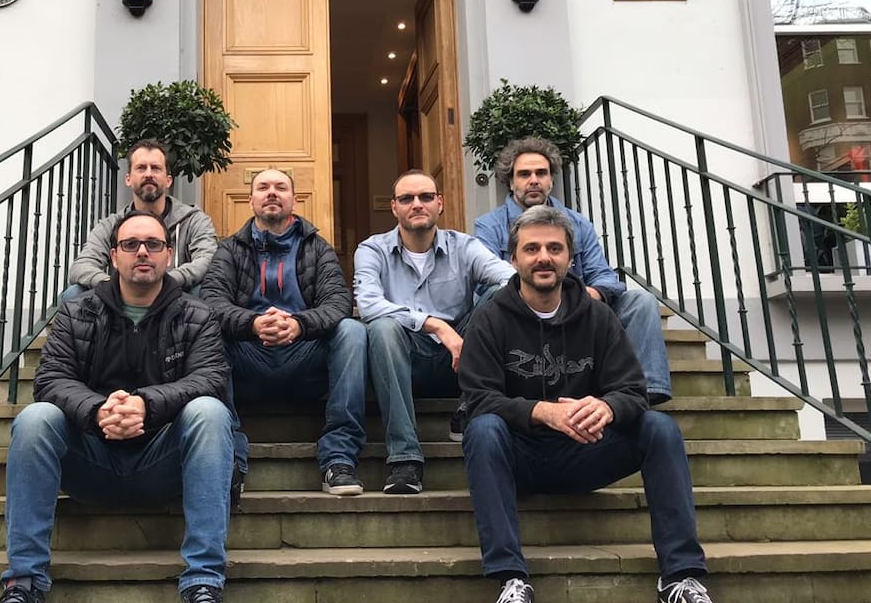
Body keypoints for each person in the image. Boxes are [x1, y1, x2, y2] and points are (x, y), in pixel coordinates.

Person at [458, 206, 735, 603]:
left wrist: (607, 408)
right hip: (520, 458)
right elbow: (477, 399)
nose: (543, 257)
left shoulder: (598, 317)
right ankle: (511, 581)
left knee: (660, 429)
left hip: (586, 453)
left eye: (554, 248)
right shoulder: (490, 317)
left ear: (570, 258)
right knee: (483, 428)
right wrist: (540, 410)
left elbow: (633, 389)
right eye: (531, 249)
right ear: (514, 259)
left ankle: (679, 581)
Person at [0, 212, 236, 603]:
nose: (142, 252)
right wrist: (99, 411)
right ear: (113, 255)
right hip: (90, 462)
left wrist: (146, 405)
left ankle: (203, 584)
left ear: (168, 255)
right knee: (34, 418)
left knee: (210, 411)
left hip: (162, 463)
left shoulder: (197, 313)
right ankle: (23, 587)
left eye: (153, 245)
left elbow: (210, 376)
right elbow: (50, 379)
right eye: (132, 244)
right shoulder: (78, 310)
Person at [201, 168, 367, 497]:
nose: (272, 193)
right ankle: (231, 456)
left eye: (281, 187)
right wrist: (253, 323)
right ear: (251, 200)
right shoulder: (229, 249)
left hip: (304, 357)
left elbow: (338, 302)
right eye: (263, 187)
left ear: (293, 199)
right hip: (249, 357)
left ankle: (339, 458)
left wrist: (299, 325)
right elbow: (212, 302)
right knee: (207, 331)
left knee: (352, 331)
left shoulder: (318, 248)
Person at [473, 137, 672, 404]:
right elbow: (484, 283)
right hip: (519, 317)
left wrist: (584, 296)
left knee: (641, 302)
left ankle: (644, 395)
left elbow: (604, 276)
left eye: (541, 173)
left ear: (551, 181)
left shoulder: (578, 223)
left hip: (582, 314)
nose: (534, 180)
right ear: (511, 182)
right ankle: (478, 398)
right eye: (524, 174)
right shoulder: (489, 225)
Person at [353, 169, 513, 494]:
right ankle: (405, 460)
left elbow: (512, 280)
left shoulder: (464, 246)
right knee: (382, 328)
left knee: (500, 297)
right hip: (402, 361)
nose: (417, 204)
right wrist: (435, 324)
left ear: (439, 203)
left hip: (459, 360)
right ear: (394, 208)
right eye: (407, 198)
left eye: (426, 197)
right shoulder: (373, 249)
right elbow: (368, 305)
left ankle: (470, 405)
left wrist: (475, 322)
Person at [66, 138, 217, 294]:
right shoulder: (111, 225)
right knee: (74, 293)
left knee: (202, 291)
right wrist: (114, 285)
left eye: (156, 168)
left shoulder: (194, 220)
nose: (149, 174)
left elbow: (208, 259)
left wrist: (165, 282)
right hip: (122, 301)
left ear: (168, 180)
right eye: (141, 168)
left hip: (176, 298)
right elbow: (81, 266)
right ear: (128, 179)